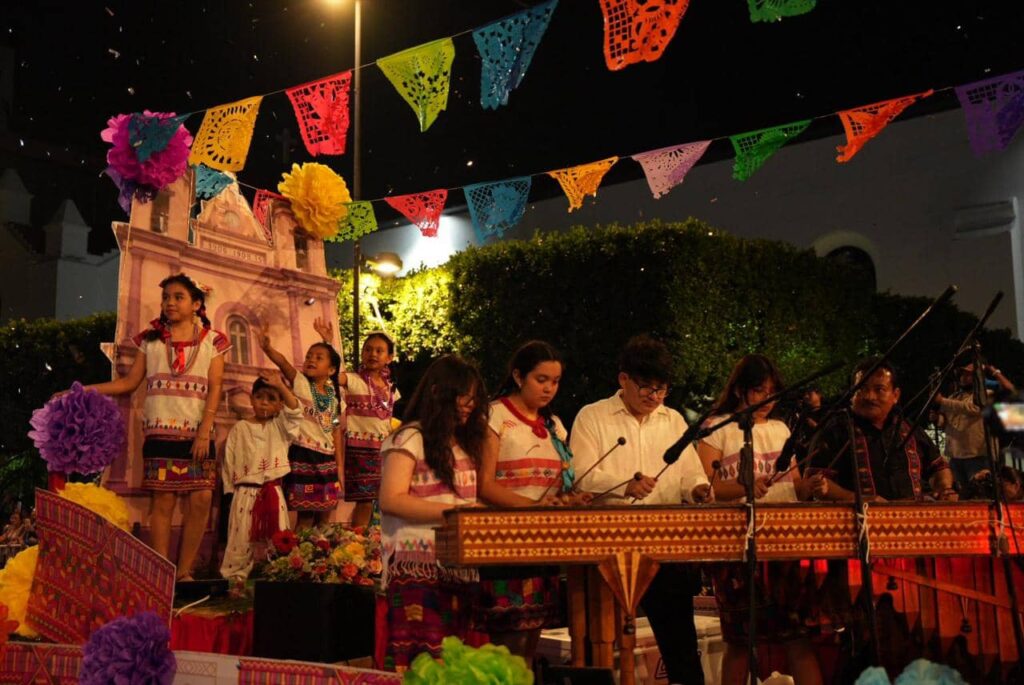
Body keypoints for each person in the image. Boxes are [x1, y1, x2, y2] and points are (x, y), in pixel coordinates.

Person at [61, 273, 228, 580]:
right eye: (166, 297)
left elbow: (215, 386)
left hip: (198, 434)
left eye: (178, 297)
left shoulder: (212, 341)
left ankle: (186, 572)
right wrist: (82, 390)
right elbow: (128, 382)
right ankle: (163, 572)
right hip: (160, 431)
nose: (170, 303)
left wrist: (206, 429)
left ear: (196, 304)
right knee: (163, 499)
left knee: (202, 497)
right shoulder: (149, 341)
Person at [570, 334, 712, 685]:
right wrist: (625, 484)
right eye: (646, 388)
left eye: (661, 389)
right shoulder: (593, 417)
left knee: (679, 640)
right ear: (623, 379)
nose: (655, 398)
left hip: (663, 542)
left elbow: (689, 472)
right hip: (608, 545)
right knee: (601, 641)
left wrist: (698, 489)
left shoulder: (673, 420)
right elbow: (580, 477)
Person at [695, 354, 823, 685]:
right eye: (758, 391)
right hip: (735, 543)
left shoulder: (781, 429)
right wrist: (743, 487)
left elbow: (793, 485)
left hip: (784, 541)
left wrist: (810, 486)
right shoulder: (716, 428)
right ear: (739, 391)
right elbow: (704, 489)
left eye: (771, 392)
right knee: (739, 640)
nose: (766, 400)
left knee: (797, 635)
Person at [476, 341, 590, 662]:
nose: (549, 388)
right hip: (504, 544)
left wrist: (572, 498)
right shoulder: (494, 415)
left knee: (530, 645)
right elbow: (483, 486)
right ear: (518, 375)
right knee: (507, 646)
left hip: (543, 543)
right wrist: (533, 508)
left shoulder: (554, 426)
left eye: (555, 381)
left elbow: (559, 485)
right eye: (541, 379)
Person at [377, 355, 488, 673]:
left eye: (473, 396)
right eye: (463, 395)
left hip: (457, 565)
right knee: (419, 662)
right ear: (440, 392)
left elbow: (463, 501)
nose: (470, 404)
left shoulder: (463, 444)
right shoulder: (410, 437)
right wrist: (455, 513)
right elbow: (391, 499)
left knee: (451, 662)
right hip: (417, 566)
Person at [812, 357, 956, 503]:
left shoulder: (907, 428)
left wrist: (944, 488)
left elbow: (938, 467)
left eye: (879, 389)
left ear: (895, 395)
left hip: (913, 520)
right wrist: (860, 500)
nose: (870, 396)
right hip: (859, 522)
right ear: (852, 394)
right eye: (862, 389)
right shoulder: (835, 430)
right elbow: (817, 482)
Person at [220, 370, 302, 583]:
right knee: (241, 538)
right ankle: (234, 581)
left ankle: (279, 578)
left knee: (278, 538)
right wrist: (230, 492)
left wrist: (282, 386)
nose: (264, 403)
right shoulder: (240, 428)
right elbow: (229, 461)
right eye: (260, 397)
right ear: (251, 399)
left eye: (271, 398)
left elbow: (295, 411)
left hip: (273, 492)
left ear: (279, 405)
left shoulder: (281, 427)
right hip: (245, 493)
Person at [260, 323, 344, 529]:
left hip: (327, 459)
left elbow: (335, 430)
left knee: (325, 516)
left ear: (331, 370)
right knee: (305, 516)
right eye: (309, 356)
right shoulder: (301, 384)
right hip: (303, 455)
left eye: (318, 357)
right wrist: (268, 349)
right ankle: (299, 557)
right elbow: (284, 364)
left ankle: (321, 558)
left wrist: (339, 465)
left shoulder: (335, 399)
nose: (311, 360)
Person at [326, 322, 399, 530]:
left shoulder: (392, 389)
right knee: (365, 500)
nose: (372, 354)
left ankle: (367, 545)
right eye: (368, 349)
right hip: (359, 451)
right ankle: (358, 543)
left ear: (389, 358)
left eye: (379, 350)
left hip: (382, 452)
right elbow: (332, 375)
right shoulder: (353, 380)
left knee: (378, 501)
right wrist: (329, 343)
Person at [935, 363, 1016, 490]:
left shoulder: (987, 395)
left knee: (981, 493)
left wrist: (942, 401)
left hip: (979, 457)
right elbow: (947, 424)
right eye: (963, 374)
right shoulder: (954, 397)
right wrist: (938, 419)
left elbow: (974, 408)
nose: (964, 377)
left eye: (969, 375)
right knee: (961, 498)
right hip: (955, 457)